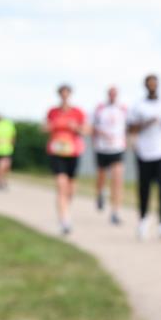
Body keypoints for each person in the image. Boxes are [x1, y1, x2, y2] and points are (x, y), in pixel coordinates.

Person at [127, 74, 161, 241]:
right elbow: (131, 127)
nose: (152, 86)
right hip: (144, 152)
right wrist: (147, 123)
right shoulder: (138, 106)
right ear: (145, 86)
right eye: (150, 84)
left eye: (155, 84)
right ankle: (143, 220)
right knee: (144, 188)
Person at [45, 84, 88, 235]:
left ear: (70, 95)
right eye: (62, 93)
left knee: (70, 188)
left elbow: (87, 130)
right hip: (56, 152)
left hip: (73, 152)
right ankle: (64, 220)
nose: (64, 96)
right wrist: (51, 126)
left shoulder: (78, 112)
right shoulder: (52, 112)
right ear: (59, 95)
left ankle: (66, 210)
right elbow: (44, 128)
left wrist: (76, 127)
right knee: (61, 184)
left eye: (66, 93)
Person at [92, 86, 127, 225]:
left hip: (117, 148)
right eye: (110, 94)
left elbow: (128, 127)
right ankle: (100, 193)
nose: (112, 96)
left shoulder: (123, 109)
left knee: (117, 180)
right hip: (102, 148)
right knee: (101, 176)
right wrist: (101, 134)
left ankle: (115, 212)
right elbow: (92, 126)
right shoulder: (99, 108)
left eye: (115, 94)